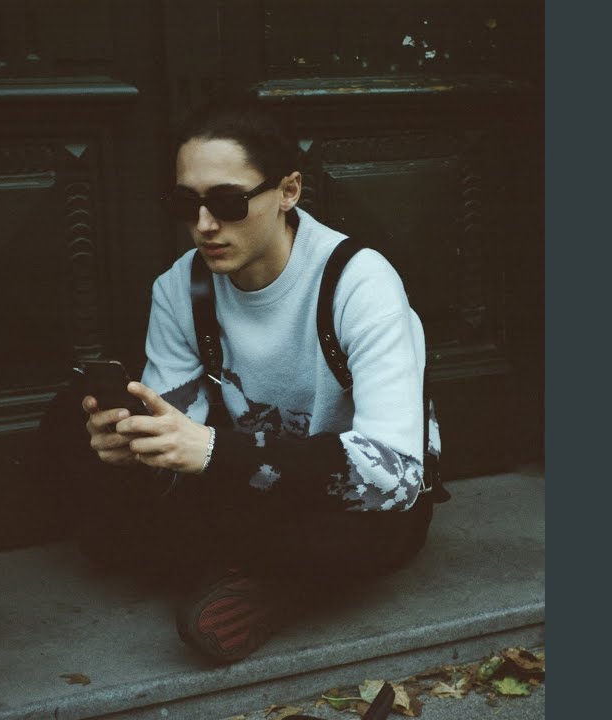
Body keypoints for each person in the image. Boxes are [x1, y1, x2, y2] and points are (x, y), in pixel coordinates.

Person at [71, 98, 440, 665]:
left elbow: (395, 477)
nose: (204, 225)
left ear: (289, 190)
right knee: (78, 447)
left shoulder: (358, 282)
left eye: (228, 202)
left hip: (350, 502)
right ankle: (270, 580)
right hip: (249, 487)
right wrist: (137, 447)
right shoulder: (180, 288)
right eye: (186, 203)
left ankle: (256, 575)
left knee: (360, 535)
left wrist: (214, 453)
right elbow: (181, 443)